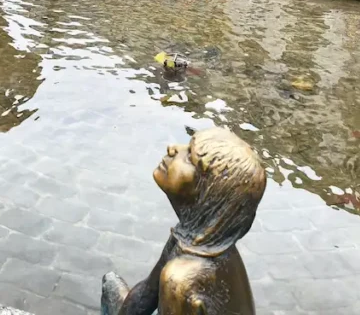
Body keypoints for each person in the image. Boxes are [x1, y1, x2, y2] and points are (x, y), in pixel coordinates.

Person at [101, 127, 266, 315]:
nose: (173, 148)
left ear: (207, 194)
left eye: (189, 158)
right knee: (111, 286)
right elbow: (146, 294)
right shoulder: (196, 242)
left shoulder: (180, 280)